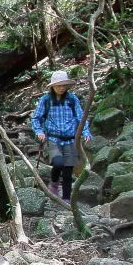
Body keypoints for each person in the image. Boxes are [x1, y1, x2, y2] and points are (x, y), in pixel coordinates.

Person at [31, 70, 91, 202]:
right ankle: (53, 183)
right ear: (53, 86)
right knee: (58, 163)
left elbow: (81, 117)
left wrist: (86, 132)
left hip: (70, 139)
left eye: (64, 85)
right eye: (59, 85)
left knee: (68, 169)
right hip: (53, 138)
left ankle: (66, 199)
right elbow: (36, 118)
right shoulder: (45, 100)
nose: (62, 88)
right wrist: (39, 131)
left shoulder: (72, 99)